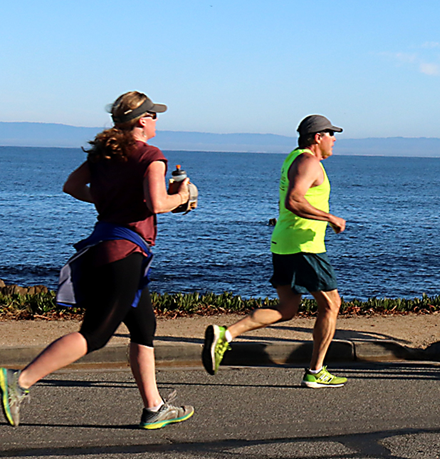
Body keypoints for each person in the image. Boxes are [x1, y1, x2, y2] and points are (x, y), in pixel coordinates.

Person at [1, 92, 195, 429]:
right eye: (153, 115)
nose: (156, 121)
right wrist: (183, 196)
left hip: (106, 245)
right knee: (96, 334)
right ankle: (18, 382)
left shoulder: (105, 154)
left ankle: (154, 408)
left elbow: (72, 186)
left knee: (144, 327)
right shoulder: (151, 156)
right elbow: (156, 204)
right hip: (125, 253)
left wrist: (109, 201)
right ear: (141, 121)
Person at [202, 115, 349, 388]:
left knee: (287, 309)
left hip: (283, 243)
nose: (334, 139)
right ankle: (316, 371)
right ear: (317, 137)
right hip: (305, 247)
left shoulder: (293, 158)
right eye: (331, 134)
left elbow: (290, 200)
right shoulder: (308, 162)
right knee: (332, 304)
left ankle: (226, 335)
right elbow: (294, 200)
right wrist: (330, 218)